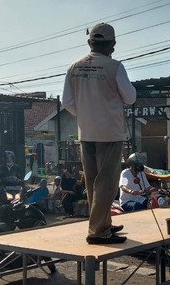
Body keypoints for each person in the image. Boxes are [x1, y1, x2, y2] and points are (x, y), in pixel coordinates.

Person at [61, 22, 135, 244]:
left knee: (93, 182)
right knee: (107, 182)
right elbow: (130, 98)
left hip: (86, 132)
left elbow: (67, 102)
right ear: (112, 45)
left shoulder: (74, 67)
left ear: (89, 43)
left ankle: (103, 224)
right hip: (110, 133)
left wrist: (85, 114)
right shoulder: (114, 67)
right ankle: (98, 232)